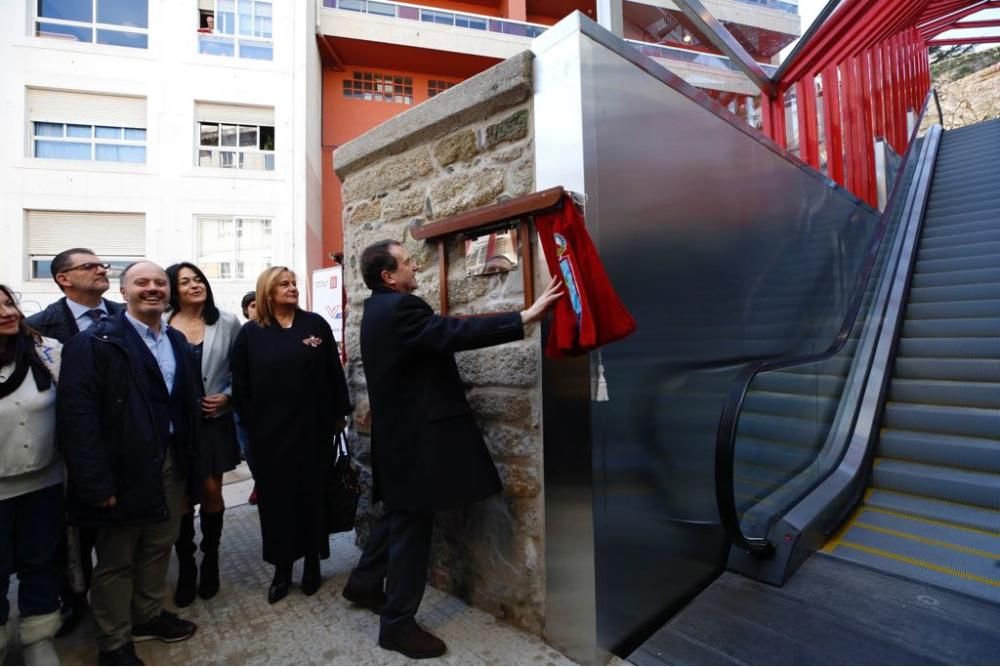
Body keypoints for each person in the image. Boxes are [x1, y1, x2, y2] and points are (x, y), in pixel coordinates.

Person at [342, 240, 561, 659]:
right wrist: (524, 316)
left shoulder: (377, 309)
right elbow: (451, 332)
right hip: (414, 440)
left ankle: (365, 583)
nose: (415, 266)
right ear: (389, 276)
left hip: (399, 438)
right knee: (412, 529)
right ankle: (397, 625)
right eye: (407, 262)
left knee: (400, 514)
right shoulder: (401, 309)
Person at [58, 262, 200, 666]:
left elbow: (187, 410)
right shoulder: (94, 344)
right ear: (123, 292)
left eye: (159, 282)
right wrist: (95, 482)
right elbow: (78, 419)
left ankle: (148, 615)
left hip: (171, 463)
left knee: (159, 546)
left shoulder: (176, 341)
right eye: (142, 283)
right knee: (117, 557)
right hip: (121, 469)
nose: (152, 289)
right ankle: (114, 641)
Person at [231, 267, 351, 604]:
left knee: (313, 495)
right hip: (271, 435)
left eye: (294, 283)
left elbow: (333, 372)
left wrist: (339, 414)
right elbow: (240, 386)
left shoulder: (315, 325)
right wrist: (253, 423)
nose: (292, 288)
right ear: (267, 292)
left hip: (313, 430)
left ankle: (312, 563)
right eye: (284, 284)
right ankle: (282, 569)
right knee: (277, 502)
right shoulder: (251, 334)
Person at [25, 247, 124, 636]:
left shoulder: (124, 316)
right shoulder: (38, 328)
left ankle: (116, 601)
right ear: (63, 278)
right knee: (70, 535)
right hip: (66, 450)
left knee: (117, 533)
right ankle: (73, 602)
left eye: (103, 264)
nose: (102, 269)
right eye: (90, 266)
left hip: (121, 443)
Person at [165, 263, 242, 607]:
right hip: (175, 424)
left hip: (214, 418)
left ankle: (210, 559)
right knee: (180, 495)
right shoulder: (162, 323)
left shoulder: (226, 322)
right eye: (185, 281)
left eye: (198, 279)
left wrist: (228, 395)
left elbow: (245, 367)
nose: (195, 285)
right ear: (172, 290)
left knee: (211, 489)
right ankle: (185, 566)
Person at [0, 285, 63, 665]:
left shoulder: (47, 351)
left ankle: (39, 638)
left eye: (8, 303)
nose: (7, 312)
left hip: (45, 481)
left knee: (41, 563)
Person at [237, 291, 257, 506]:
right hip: (245, 406)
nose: (257, 308)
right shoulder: (242, 334)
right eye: (252, 305)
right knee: (250, 449)